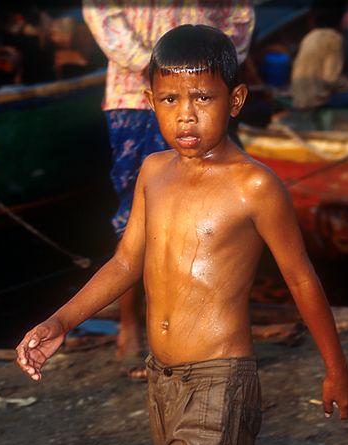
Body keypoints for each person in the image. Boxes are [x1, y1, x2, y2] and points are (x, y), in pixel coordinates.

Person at [16, 25, 348, 445]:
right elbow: (126, 261)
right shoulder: (153, 172)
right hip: (163, 379)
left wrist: (337, 369)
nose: (187, 114)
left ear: (236, 99)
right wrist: (60, 320)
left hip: (221, 382)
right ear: (149, 100)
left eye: (203, 97)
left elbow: (300, 278)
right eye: (171, 99)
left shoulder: (255, 185)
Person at [82, 0, 255, 378]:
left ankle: (197, 337)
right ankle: (132, 325)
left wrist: (212, 65)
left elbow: (239, 14)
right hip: (133, 91)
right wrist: (159, 67)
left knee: (204, 212)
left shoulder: (258, 183)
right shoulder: (153, 102)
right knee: (136, 216)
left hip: (208, 83)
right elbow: (101, 11)